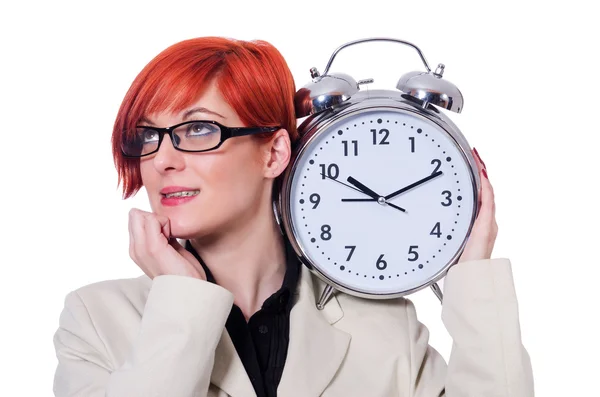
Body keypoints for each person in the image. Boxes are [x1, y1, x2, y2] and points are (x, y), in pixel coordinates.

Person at [52, 36, 534, 397]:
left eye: (198, 129)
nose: (162, 159)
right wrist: (181, 298)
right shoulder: (97, 320)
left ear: (274, 152)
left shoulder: (385, 329)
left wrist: (472, 273)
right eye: (147, 136)